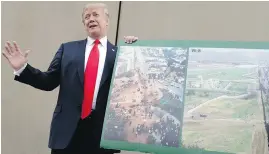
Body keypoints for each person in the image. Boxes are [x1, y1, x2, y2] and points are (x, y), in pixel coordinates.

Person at [2, 3, 138, 154]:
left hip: (102, 135)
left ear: (107, 20)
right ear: (84, 24)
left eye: (95, 14)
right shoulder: (68, 49)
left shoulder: (120, 54)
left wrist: (134, 50)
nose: (90, 19)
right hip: (67, 132)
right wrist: (22, 68)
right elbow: (48, 82)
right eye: (86, 17)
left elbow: (133, 88)